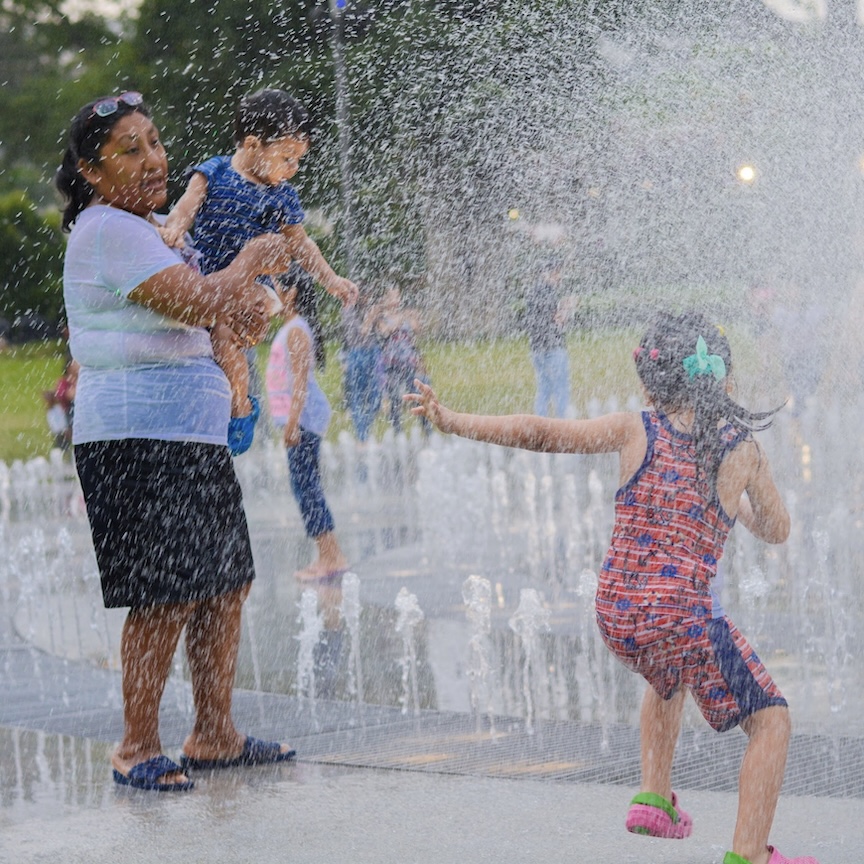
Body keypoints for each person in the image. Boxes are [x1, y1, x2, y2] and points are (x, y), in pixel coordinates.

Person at [406, 311, 818, 864]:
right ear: (723, 378)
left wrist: (454, 419)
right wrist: (739, 499)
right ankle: (748, 854)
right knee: (771, 721)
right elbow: (779, 529)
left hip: (618, 617)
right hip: (679, 619)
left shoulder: (634, 429)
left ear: (652, 385)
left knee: (668, 668)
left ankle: (653, 797)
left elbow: (543, 433)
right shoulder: (741, 450)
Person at [56, 91, 297, 792]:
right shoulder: (107, 231)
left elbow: (233, 314)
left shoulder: (161, 228)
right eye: (129, 151)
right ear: (91, 174)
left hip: (190, 434)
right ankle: (136, 746)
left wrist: (250, 302)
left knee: (224, 582)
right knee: (164, 593)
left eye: (156, 142)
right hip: (133, 437)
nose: (155, 159)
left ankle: (214, 733)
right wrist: (250, 261)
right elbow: (198, 300)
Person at [160, 87, 359, 452]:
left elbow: (301, 243)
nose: (292, 169)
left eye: (298, 160)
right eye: (286, 158)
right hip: (208, 277)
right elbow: (187, 205)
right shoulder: (215, 171)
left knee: (224, 338)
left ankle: (240, 404)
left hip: (255, 286)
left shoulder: (282, 195)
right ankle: (224, 400)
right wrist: (174, 228)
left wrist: (330, 278)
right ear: (252, 145)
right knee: (213, 339)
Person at [266, 265, 349, 581]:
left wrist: (292, 423)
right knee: (305, 486)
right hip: (300, 419)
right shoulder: (291, 327)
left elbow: (299, 382)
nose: (271, 294)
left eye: (275, 288)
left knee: (307, 487)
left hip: (304, 420)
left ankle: (332, 557)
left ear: (291, 294)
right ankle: (328, 555)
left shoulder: (297, 329)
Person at [370, 286, 430, 435]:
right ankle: (398, 432)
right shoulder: (381, 317)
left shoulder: (406, 315)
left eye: (398, 296)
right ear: (385, 299)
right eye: (392, 297)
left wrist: (416, 318)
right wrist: (401, 319)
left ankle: (427, 430)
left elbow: (417, 330)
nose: (396, 300)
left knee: (417, 396)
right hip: (392, 364)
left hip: (409, 362)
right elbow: (384, 331)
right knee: (395, 399)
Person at [524, 256, 573, 417]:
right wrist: (566, 309)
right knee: (561, 388)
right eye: (557, 273)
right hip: (552, 347)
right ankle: (563, 425)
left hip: (537, 348)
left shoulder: (533, 291)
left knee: (544, 387)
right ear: (548, 273)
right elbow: (556, 319)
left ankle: (540, 425)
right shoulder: (548, 292)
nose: (559, 277)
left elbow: (534, 321)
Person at [341, 293, 383, 444]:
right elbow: (362, 333)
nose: (366, 298)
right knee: (357, 397)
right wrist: (370, 317)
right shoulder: (348, 310)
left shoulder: (369, 309)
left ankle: (366, 432)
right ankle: (362, 436)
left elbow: (383, 330)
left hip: (373, 353)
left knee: (375, 397)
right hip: (357, 354)